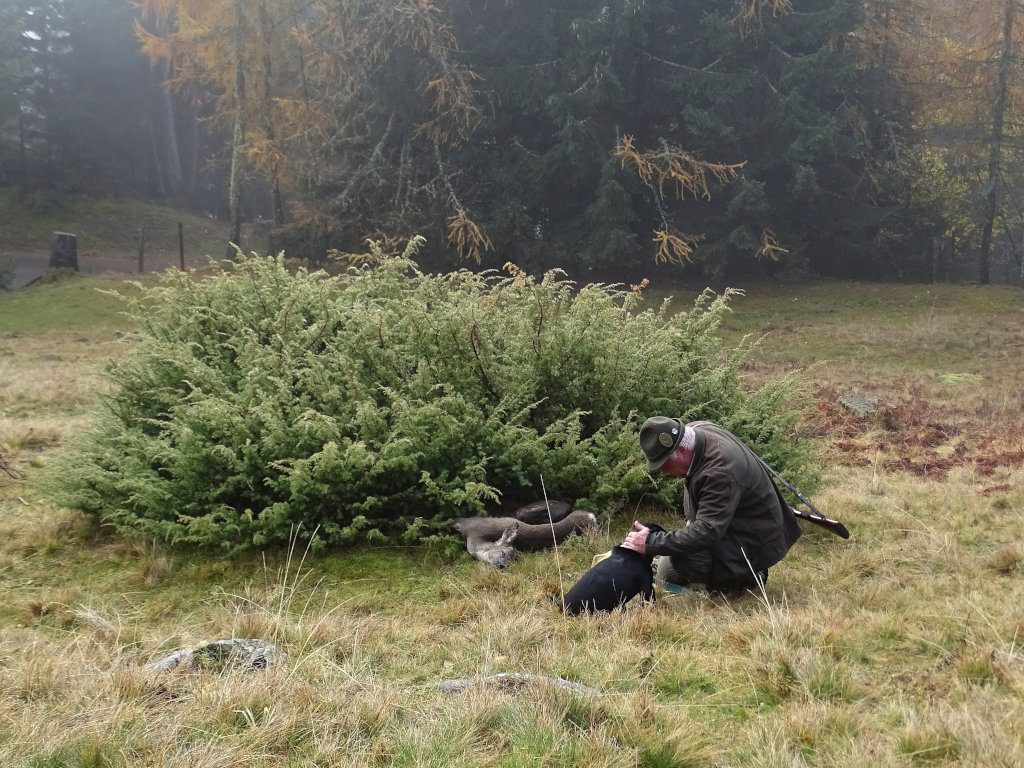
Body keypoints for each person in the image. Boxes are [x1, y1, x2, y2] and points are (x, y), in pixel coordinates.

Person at [621, 417, 802, 594]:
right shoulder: (695, 432)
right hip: (733, 525)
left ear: (682, 449)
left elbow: (707, 532)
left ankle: (746, 578)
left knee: (681, 561)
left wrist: (650, 543)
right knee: (665, 574)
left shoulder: (718, 471)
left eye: (665, 464)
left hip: (755, 539)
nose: (664, 471)